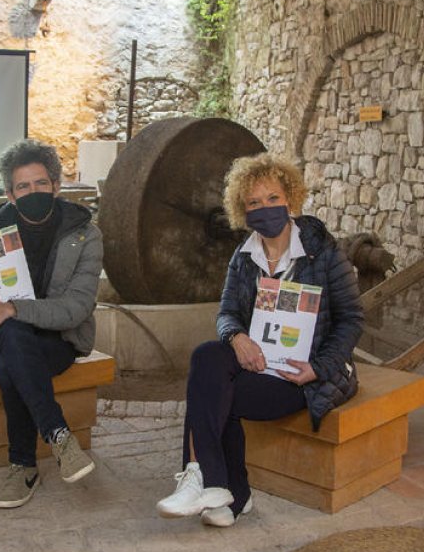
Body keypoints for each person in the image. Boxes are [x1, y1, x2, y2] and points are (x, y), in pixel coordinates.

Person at [155, 153, 364, 527]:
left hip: (304, 375)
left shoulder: (324, 251)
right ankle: (213, 484)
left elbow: (351, 319)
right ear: (242, 209)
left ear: (290, 200)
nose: (263, 208)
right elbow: (227, 313)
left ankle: (220, 486)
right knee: (207, 357)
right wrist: (236, 338)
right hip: (258, 361)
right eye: (253, 202)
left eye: (272, 198)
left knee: (218, 393)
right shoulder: (244, 255)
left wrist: (317, 368)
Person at [0, 139, 102, 509]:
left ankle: (22, 465)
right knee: (13, 335)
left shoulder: (85, 232)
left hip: (61, 339)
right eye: (23, 186)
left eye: (40, 183)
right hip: (5, 331)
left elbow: (76, 309)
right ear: (9, 193)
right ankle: (59, 436)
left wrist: (13, 309)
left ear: (56, 185)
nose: (33, 191)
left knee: (9, 365)